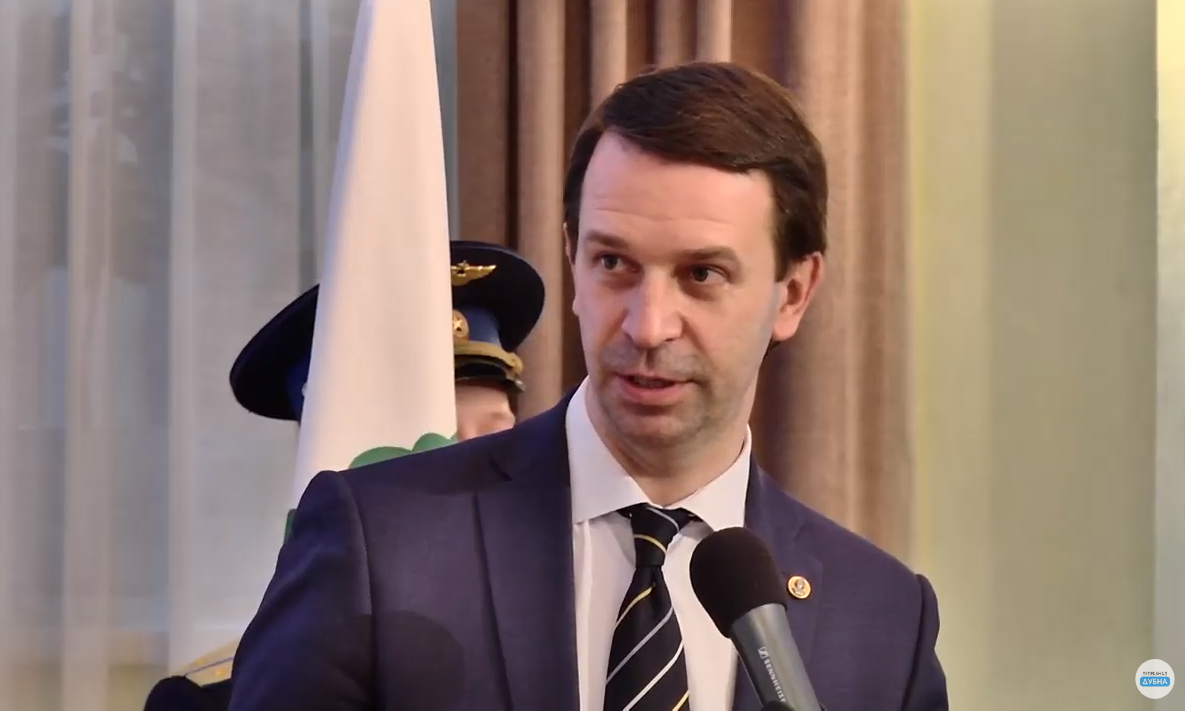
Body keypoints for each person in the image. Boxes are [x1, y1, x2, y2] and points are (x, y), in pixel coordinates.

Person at [226, 62, 948, 711]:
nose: (647, 324)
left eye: (701, 274)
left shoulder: (883, 620)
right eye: (614, 264)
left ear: (793, 293)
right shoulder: (380, 541)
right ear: (572, 255)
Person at [143, 240, 545, 711]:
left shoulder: (571, 662)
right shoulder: (213, 700)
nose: (477, 472)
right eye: (440, 449)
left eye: (497, 439)